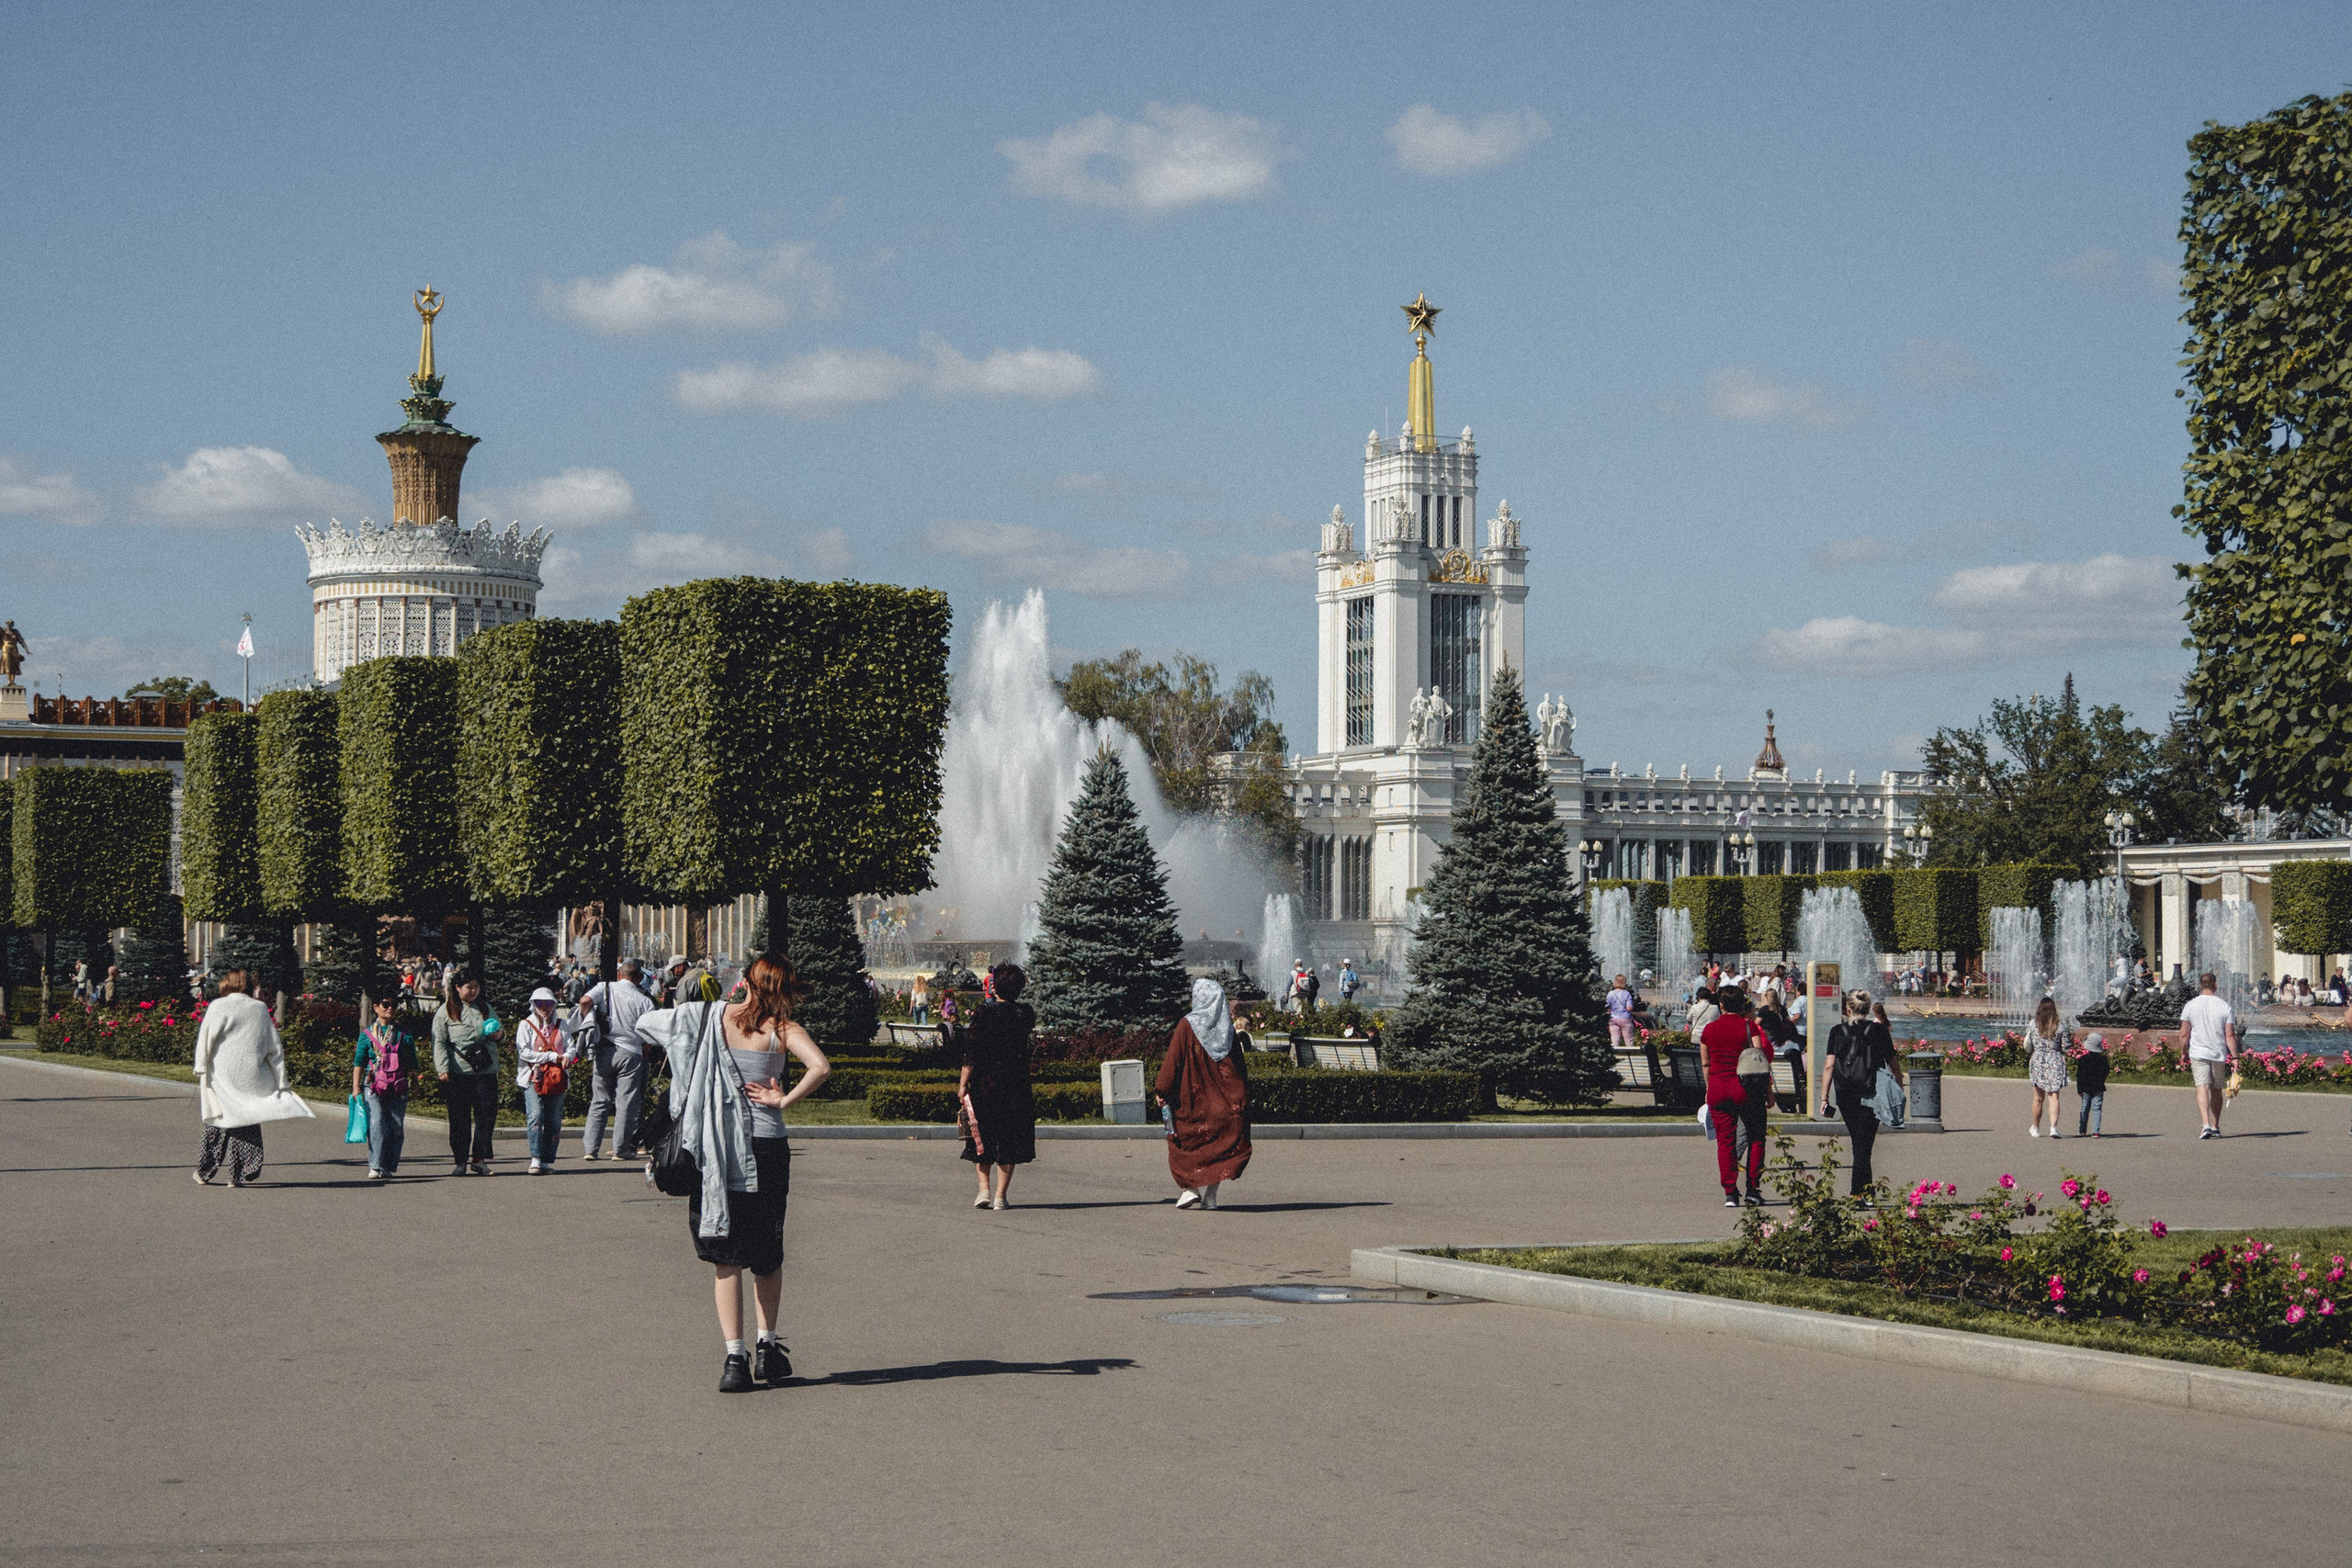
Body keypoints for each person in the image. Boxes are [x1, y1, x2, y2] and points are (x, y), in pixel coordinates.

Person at [638, 955, 831, 1393]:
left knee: (725, 1254)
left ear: (744, 982)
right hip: (765, 1146)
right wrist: (781, 1101)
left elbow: (647, 1024)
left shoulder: (709, 1018)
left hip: (713, 1146)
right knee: (766, 1250)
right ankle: (767, 1349)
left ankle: (734, 1359)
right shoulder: (783, 1030)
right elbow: (820, 1067)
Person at [190, 970, 314, 1186]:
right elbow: (274, 1048)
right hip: (251, 1074)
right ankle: (239, 1174)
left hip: (222, 1073)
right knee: (246, 1120)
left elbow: (206, 1037)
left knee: (218, 1122)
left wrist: (200, 1065)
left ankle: (205, 1172)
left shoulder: (218, 1006)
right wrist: (281, 1079)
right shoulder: (259, 1009)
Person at [1156, 976, 1250, 1210]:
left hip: (1191, 1104)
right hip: (1223, 1105)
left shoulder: (1187, 1025)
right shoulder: (1227, 1030)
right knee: (1219, 1149)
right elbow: (1240, 1068)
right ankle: (1211, 1197)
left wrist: (1161, 1089)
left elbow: (1173, 1062)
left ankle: (1189, 1189)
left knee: (1182, 1144)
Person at [957, 962, 1037, 1210]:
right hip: (1016, 1084)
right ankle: (1001, 1197)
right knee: (1010, 1138)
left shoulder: (984, 1013)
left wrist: (962, 1085)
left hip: (986, 1084)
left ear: (994, 985)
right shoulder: (1025, 1014)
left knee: (982, 1135)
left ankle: (984, 1191)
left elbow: (971, 1053)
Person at [1821, 990, 1901, 1199]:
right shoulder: (1879, 1031)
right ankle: (1860, 1193)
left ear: (1848, 1009)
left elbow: (1829, 1066)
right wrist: (1898, 1089)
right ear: (1867, 1009)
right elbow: (1893, 1065)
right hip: (1870, 1093)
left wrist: (1824, 1098)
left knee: (1860, 1142)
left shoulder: (1837, 1031)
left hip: (1844, 1092)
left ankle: (1864, 1192)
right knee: (1863, 1144)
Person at [581, 958, 656, 1161]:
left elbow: (584, 1001)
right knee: (626, 1103)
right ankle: (620, 1150)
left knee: (600, 1099)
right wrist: (644, 1052)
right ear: (639, 978)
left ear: (620, 974)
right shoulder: (645, 1000)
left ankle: (590, 1149)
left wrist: (588, 1021)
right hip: (631, 1052)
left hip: (605, 1049)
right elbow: (650, 1034)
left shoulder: (605, 987)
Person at [1701, 989, 1770, 1207]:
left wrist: (1709, 1087)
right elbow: (1760, 1061)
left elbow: (1706, 1063)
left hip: (1719, 1089)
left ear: (1721, 1004)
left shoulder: (1709, 1029)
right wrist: (1769, 1090)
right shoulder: (1749, 1027)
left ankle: (1730, 1192)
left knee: (1725, 1142)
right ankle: (1752, 1189)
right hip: (1746, 1089)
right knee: (1756, 1137)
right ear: (1742, 1005)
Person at [432, 976, 503, 1176]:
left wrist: (499, 1035)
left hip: (485, 1071)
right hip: (458, 1072)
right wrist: (443, 1068)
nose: (473, 991)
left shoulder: (485, 1007)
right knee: (459, 1118)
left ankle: (479, 1159)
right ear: (457, 987)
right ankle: (460, 1160)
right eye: (469, 987)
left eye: (476, 986)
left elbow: (500, 1031)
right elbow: (439, 1041)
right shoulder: (446, 1010)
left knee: (486, 1116)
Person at [350, 995, 420, 1179]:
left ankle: (388, 1166)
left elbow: (412, 1060)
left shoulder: (403, 1034)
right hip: (373, 1085)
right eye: (385, 1005)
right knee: (377, 1123)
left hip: (398, 1084)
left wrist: (415, 1083)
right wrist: (355, 1087)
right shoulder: (367, 1034)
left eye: (393, 1005)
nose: (389, 1008)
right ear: (376, 1007)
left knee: (396, 1126)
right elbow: (359, 1061)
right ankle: (375, 1165)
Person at [515, 987, 579, 1174]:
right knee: (535, 1115)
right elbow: (524, 1052)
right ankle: (535, 1157)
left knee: (553, 1119)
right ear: (533, 1005)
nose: (544, 1007)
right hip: (532, 1077)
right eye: (540, 1004)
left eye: (548, 1003)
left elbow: (570, 1047)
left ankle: (547, 1159)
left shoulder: (562, 1024)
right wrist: (552, 1057)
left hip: (556, 1078)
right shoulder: (526, 1025)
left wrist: (567, 1056)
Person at [2179, 970, 2239, 1139]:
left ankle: (2205, 1125)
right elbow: (2230, 1035)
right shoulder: (2224, 1006)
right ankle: (2215, 1125)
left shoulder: (2191, 1005)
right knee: (2216, 1089)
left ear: (2199, 985)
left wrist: (2183, 1052)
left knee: (2202, 1087)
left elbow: (2184, 1033)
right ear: (2215, 985)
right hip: (2218, 1052)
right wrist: (2235, 1057)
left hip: (2198, 1052)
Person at [2024, 996, 2071, 1139]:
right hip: (2055, 1060)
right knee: (2054, 1097)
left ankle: (2036, 1127)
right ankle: (2053, 1128)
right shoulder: (2060, 1026)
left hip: (2038, 1060)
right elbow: (2066, 1046)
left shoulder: (2033, 1024)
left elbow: (2028, 1042)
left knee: (2038, 1098)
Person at [2075, 1032, 2110, 1139]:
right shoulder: (2103, 1060)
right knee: (2097, 1108)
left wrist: (2079, 1089)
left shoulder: (2083, 1059)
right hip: (2098, 1087)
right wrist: (2101, 1080)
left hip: (2085, 1088)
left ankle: (2082, 1129)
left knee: (2084, 1108)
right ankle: (2096, 1131)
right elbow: (2106, 1071)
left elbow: (2079, 1076)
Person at [1605, 974, 1638, 1055]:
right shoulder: (1627, 994)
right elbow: (1629, 1008)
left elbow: (1607, 1007)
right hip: (1625, 1018)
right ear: (1624, 982)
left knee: (1614, 1040)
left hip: (1613, 1018)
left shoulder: (1610, 994)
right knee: (1629, 1040)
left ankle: (1614, 1057)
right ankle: (1632, 1058)